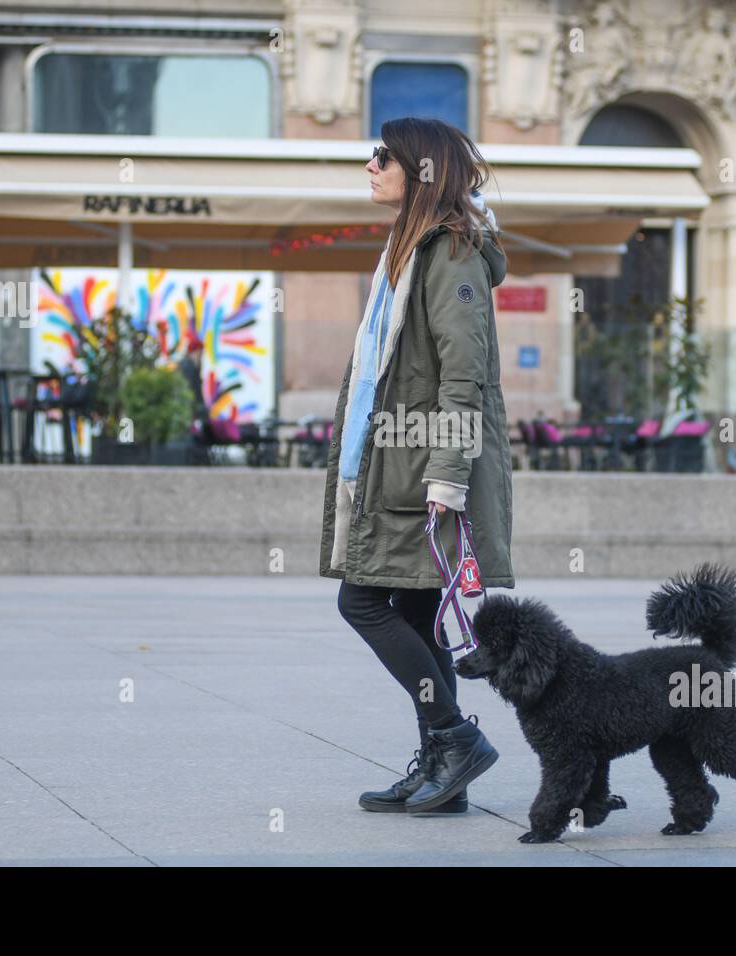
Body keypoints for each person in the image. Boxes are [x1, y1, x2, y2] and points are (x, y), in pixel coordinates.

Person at [317, 117, 515, 816]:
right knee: (418, 612)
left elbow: (463, 379)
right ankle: (445, 768)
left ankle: (452, 738)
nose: (370, 166)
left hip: (423, 475)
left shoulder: (450, 255)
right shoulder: (407, 251)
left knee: (361, 601)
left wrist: (447, 477)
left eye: (384, 156)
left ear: (421, 171)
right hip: (399, 465)